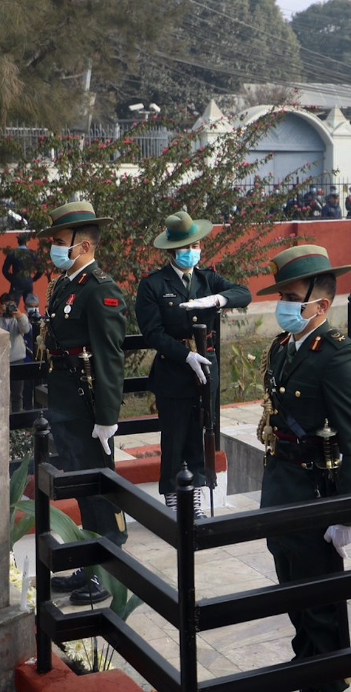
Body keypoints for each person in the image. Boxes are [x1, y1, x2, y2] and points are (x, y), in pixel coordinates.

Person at [254, 246, 351, 690]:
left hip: (315, 492)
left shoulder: (337, 358)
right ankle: (307, 665)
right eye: (281, 296)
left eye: (293, 297)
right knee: (291, 587)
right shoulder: (284, 347)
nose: (284, 306)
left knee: (319, 599)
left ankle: (328, 679)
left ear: (321, 305)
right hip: (280, 483)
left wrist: (346, 515)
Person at [36, 201, 128, 606]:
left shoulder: (100, 289)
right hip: (66, 402)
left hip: (88, 407)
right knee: (82, 486)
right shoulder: (66, 285)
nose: (54, 249)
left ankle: (106, 573)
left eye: (60, 242)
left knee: (98, 492)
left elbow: (110, 357)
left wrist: (108, 417)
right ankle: (89, 564)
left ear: (84, 246)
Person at [136, 211, 252, 517]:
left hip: (207, 369)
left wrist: (216, 300)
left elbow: (244, 293)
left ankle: (197, 499)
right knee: (174, 436)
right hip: (174, 369)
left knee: (203, 433)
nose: (191, 252)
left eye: (195, 246)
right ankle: (175, 500)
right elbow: (152, 332)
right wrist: (185, 354)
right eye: (185, 248)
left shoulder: (207, 279)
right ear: (172, 251)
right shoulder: (153, 284)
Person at [0, 292, 32, 413]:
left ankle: (18, 422)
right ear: (0, 305)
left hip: (17, 359)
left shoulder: (18, 318)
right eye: (6, 305)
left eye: (11, 305)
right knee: (0, 393)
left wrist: (19, 316)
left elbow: (26, 329)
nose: (8, 308)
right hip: (0, 361)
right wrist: (1, 315)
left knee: (17, 393)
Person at [2, 233, 43, 303]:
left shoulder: (12, 254)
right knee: (30, 304)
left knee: (13, 305)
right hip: (28, 282)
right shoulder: (32, 254)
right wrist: (33, 279)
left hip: (16, 282)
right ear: (27, 242)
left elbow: (5, 270)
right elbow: (41, 269)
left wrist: (12, 279)